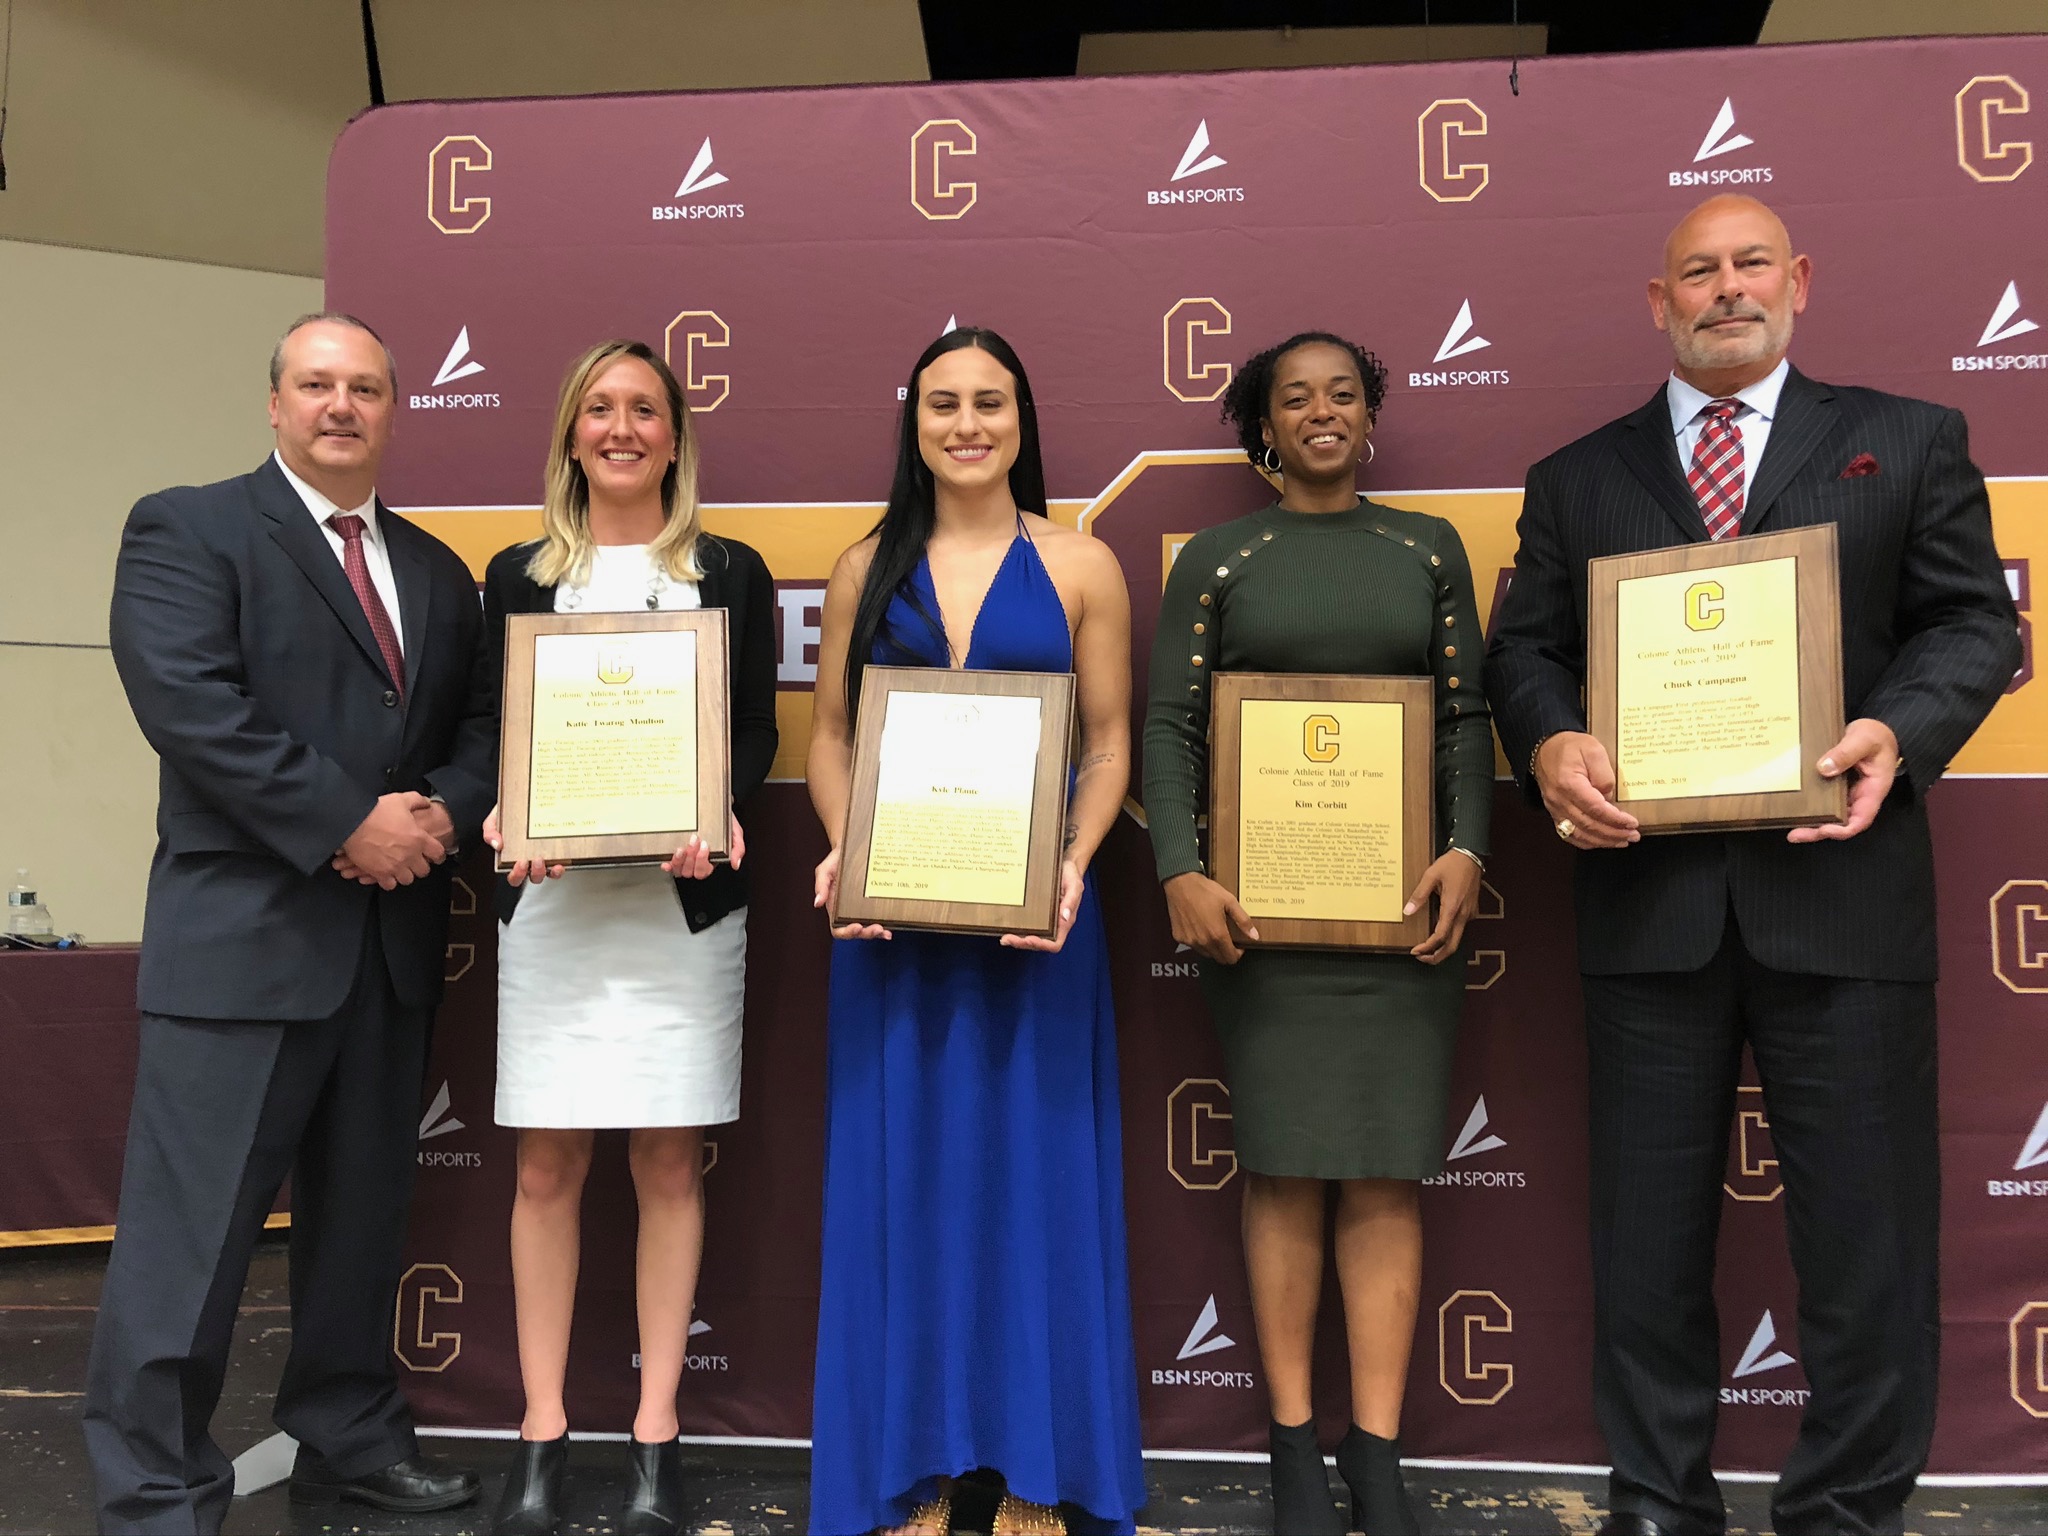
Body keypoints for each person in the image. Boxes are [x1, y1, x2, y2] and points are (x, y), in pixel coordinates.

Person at [1484, 195, 2021, 1536]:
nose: (1728, 289)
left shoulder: (1906, 441)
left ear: (1799, 281)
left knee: (1868, 1238)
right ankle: (1660, 1503)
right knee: (1646, 1244)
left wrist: (1899, 725)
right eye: (1698, 272)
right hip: (1647, 909)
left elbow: (1972, 623)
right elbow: (1525, 652)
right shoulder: (1575, 478)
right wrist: (1550, 745)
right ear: (1656, 302)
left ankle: (1845, 1510)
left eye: (1750, 265)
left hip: (1843, 899)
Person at [86, 313, 494, 1533]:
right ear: (274, 403)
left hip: (387, 951)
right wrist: (344, 823)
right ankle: (157, 1486)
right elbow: (190, 707)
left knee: (363, 1225)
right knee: (189, 1240)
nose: (341, 406)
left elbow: (478, 723)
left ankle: (349, 1436)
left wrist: (436, 814)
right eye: (317, 385)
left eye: (366, 387)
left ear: (393, 407)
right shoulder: (188, 526)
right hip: (243, 951)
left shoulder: (431, 568)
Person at [1141, 332, 1491, 1535]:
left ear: (1370, 415)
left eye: (1343, 393)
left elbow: (1462, 718)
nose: (1322, 412)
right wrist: (1180, 867)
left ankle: (1375, 1455)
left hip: (1401, 921)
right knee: (1284, 1169)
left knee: (1386, 1173)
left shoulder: (1424, 547)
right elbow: (1171, 727)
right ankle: (1293, 1445)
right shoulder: (1220, 560)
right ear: (1262, 428)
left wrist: (1467, 847)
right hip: (1259, 922)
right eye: (1295, 399)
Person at [803, 327, 1145, 1536]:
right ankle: (917, 1474)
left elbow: (1106, 742)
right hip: (892, 931)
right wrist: (849, 853)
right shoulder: (861, 566)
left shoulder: (1079, 565)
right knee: (907, 1187)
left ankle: (1038, 1476)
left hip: (1032, 926)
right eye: (942, 403)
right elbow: (832, 740)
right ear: (914, 421)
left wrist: (1069, 865)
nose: (965, 424)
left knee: (1034, 1182)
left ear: (1021, 417)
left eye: (988, 402)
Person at [476, 340, 777, 1536]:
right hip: (553, 910)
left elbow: (749, 729)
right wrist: (507, 810)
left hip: (678, 910)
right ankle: (540, 1429)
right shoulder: (516, 573)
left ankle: (656, 1435)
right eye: (597, 409)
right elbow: (497, 730)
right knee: (545, 1167)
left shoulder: (726, 569)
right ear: (569, 433)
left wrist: (715, 811)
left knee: (666, 1165)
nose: (619, 428)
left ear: (674, 434)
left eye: (643, 409)